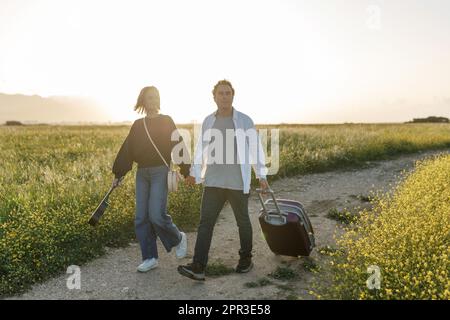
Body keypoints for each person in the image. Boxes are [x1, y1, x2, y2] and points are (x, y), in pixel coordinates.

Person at [178, 80, 269, 281]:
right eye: (221, 93)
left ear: (233, 96)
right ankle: (198, 266)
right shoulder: (208, 121)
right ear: (215, 97)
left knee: (242, 222)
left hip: (238, 183)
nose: (225, 96)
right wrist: (194, 172)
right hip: (213, 182)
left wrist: (261, 175)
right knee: (205, 223)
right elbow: (201, 149)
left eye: (228, 93)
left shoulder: (245, 120)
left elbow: (256, 148)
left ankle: (245, 259)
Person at [112, 86, 190, 272]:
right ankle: (150, 257)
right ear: (144, 101)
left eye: (156, 97)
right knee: (141, 217)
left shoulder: (166, 120)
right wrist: (119, 174)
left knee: (156, 214)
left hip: (160, 172)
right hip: (142, 173)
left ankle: (178, 238)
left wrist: (186, 170)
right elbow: (127, 150)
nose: (153, 101)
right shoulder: (138, 125)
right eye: (150, 98)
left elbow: (177, 145)